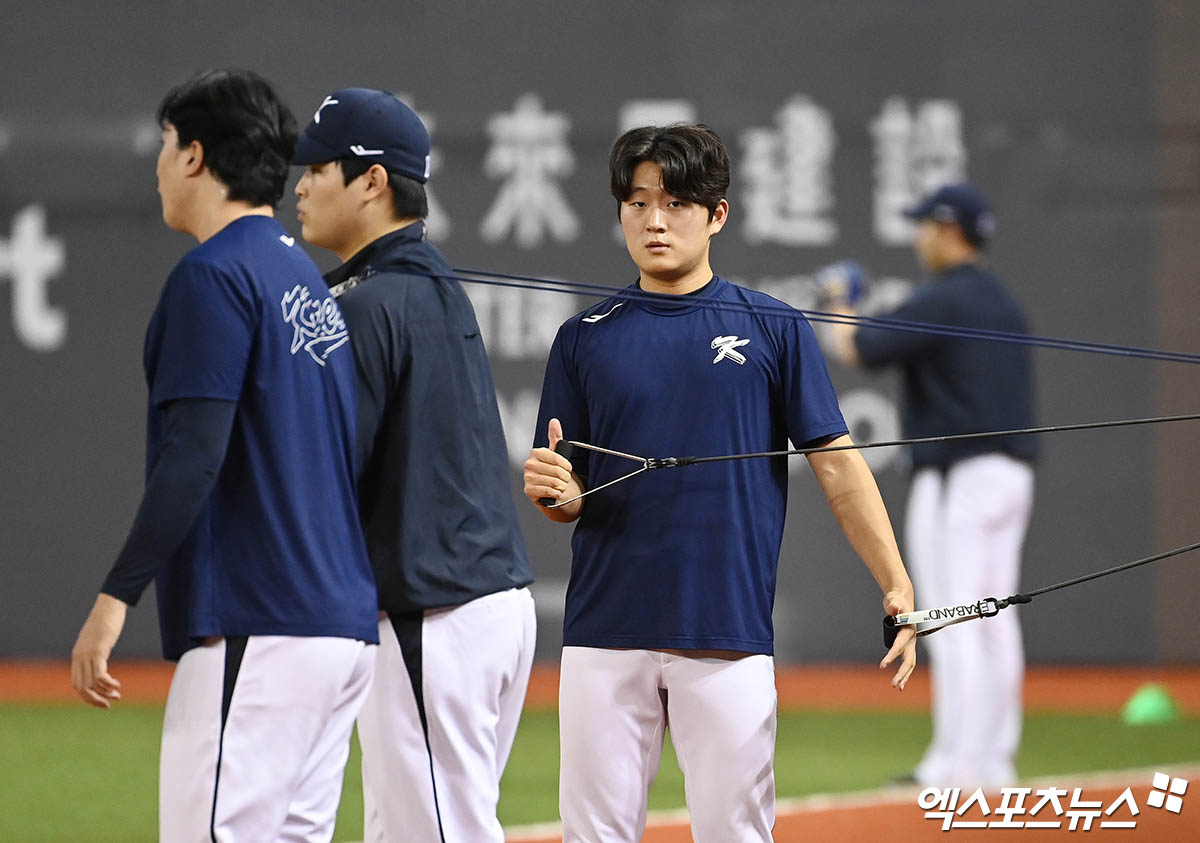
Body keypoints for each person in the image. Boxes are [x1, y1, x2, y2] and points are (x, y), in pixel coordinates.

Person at [522, 123, 917, 842]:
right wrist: (559, 494)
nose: (655, 219)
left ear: (717, 214)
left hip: (726, 629)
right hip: (605, 631)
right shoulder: (583, 336)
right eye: (638, 202)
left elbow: (837, 464)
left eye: (674, 201)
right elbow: (566, 492)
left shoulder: (774, 328)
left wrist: (894, 579)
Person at [69, 70, 379, 842]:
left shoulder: (213, 277)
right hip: (339, 629)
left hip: (260, 624)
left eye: (167, 144)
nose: (159, 163)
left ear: (198, 157)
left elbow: (192, 455)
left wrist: (114, 598)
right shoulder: (302, 277)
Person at [293, 88, 536, 843]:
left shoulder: (370, 304)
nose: (299, 184)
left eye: (318, 165)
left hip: (432, 614)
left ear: (372, 180)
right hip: (481, 605)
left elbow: (325, 476)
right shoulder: (427, 285)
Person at [823, 183, 1037, 788]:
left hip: (961, 477)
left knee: (948, 615)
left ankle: (953, 765)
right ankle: (995, 761)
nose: (919, 237)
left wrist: (840, 296)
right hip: (1011, 474)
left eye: (925, 226)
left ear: (948, 230)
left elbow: (855, 345)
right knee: (997, 618)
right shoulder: (1002, 301)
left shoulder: (946, 298)